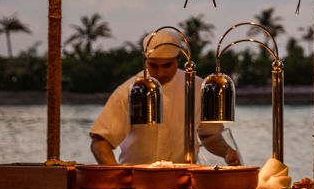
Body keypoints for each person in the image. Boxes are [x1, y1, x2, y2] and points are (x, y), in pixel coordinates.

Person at [89, 30, 240, 165]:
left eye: (166, 65)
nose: (160, 73)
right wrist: (116, 177)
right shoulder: (128, 91)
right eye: (153, 66)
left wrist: (227, 152)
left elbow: (210, 135)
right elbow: (100, 142)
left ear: (178, 59)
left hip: (185, 181)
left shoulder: (197, 87)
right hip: (136, 181)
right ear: (145, 60)